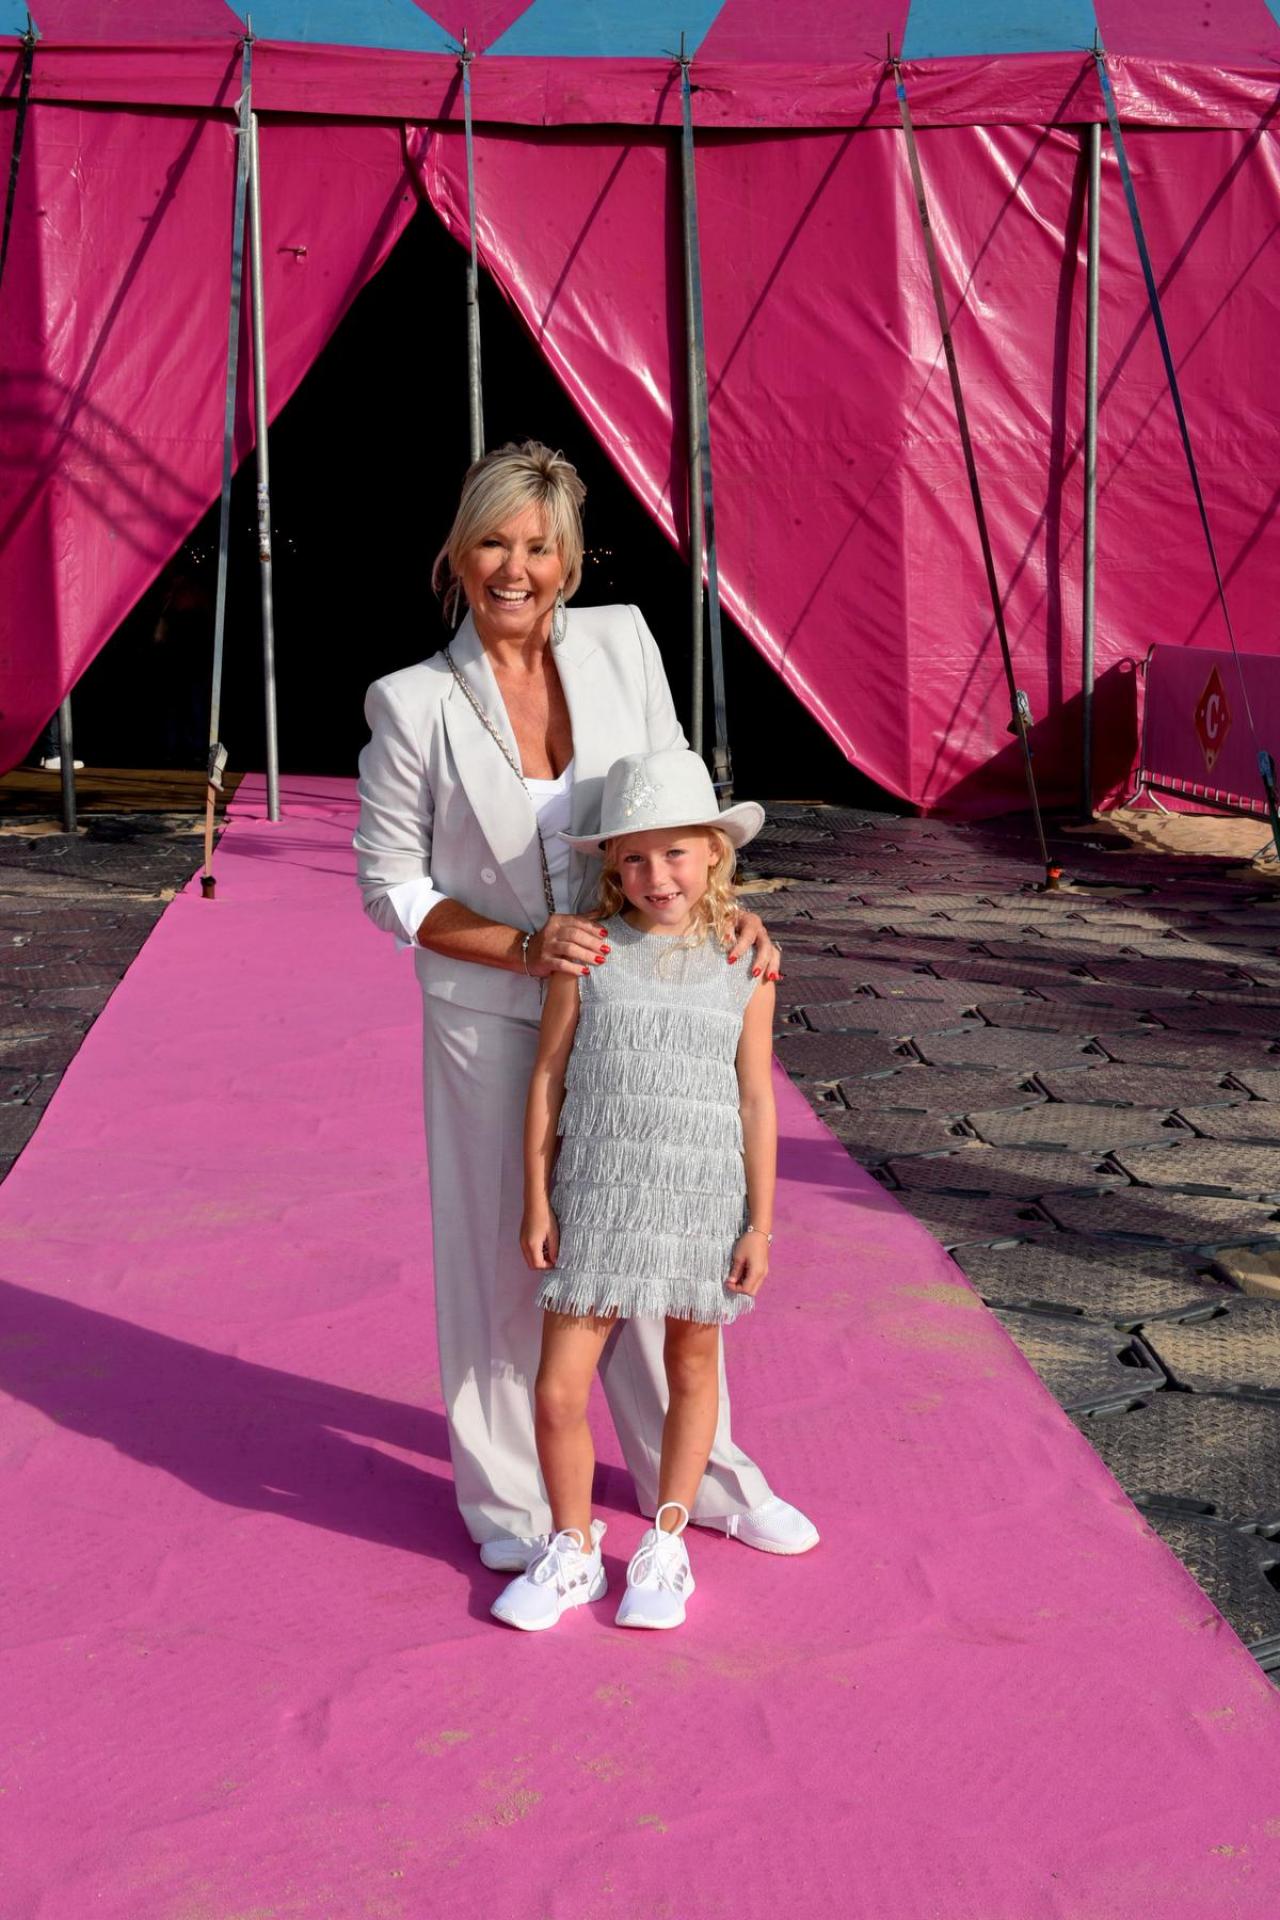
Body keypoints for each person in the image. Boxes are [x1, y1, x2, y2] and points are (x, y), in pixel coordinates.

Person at [354, 440, 817, 1566]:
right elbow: (390, 886)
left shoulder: (622, 642)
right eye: (492, 543)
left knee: (648, 1236)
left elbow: (678, 810)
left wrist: (732, 917)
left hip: (642, 1002)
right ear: (457, 555)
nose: (514, 569)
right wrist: (524, 947)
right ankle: (515, 1510)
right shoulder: (411, 703)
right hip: (490, 1010)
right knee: (506, 1264)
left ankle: (697, 1479)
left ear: (567, 561)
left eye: (538, 547)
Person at [492, 749, 784, 1632]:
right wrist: (538, 1198)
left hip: (702, 1195)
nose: (658, 877)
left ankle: (666, 1544)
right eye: (635, 859)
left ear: (714, 854)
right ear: (612, 868)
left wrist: (760, 1226)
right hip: (600, 1191)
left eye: (677, 854)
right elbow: (548, 1078)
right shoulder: (588, 953)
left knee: (692, 1368)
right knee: (557, 1389)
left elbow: (755, 1097)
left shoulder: (745, 960)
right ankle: (574, 1549)